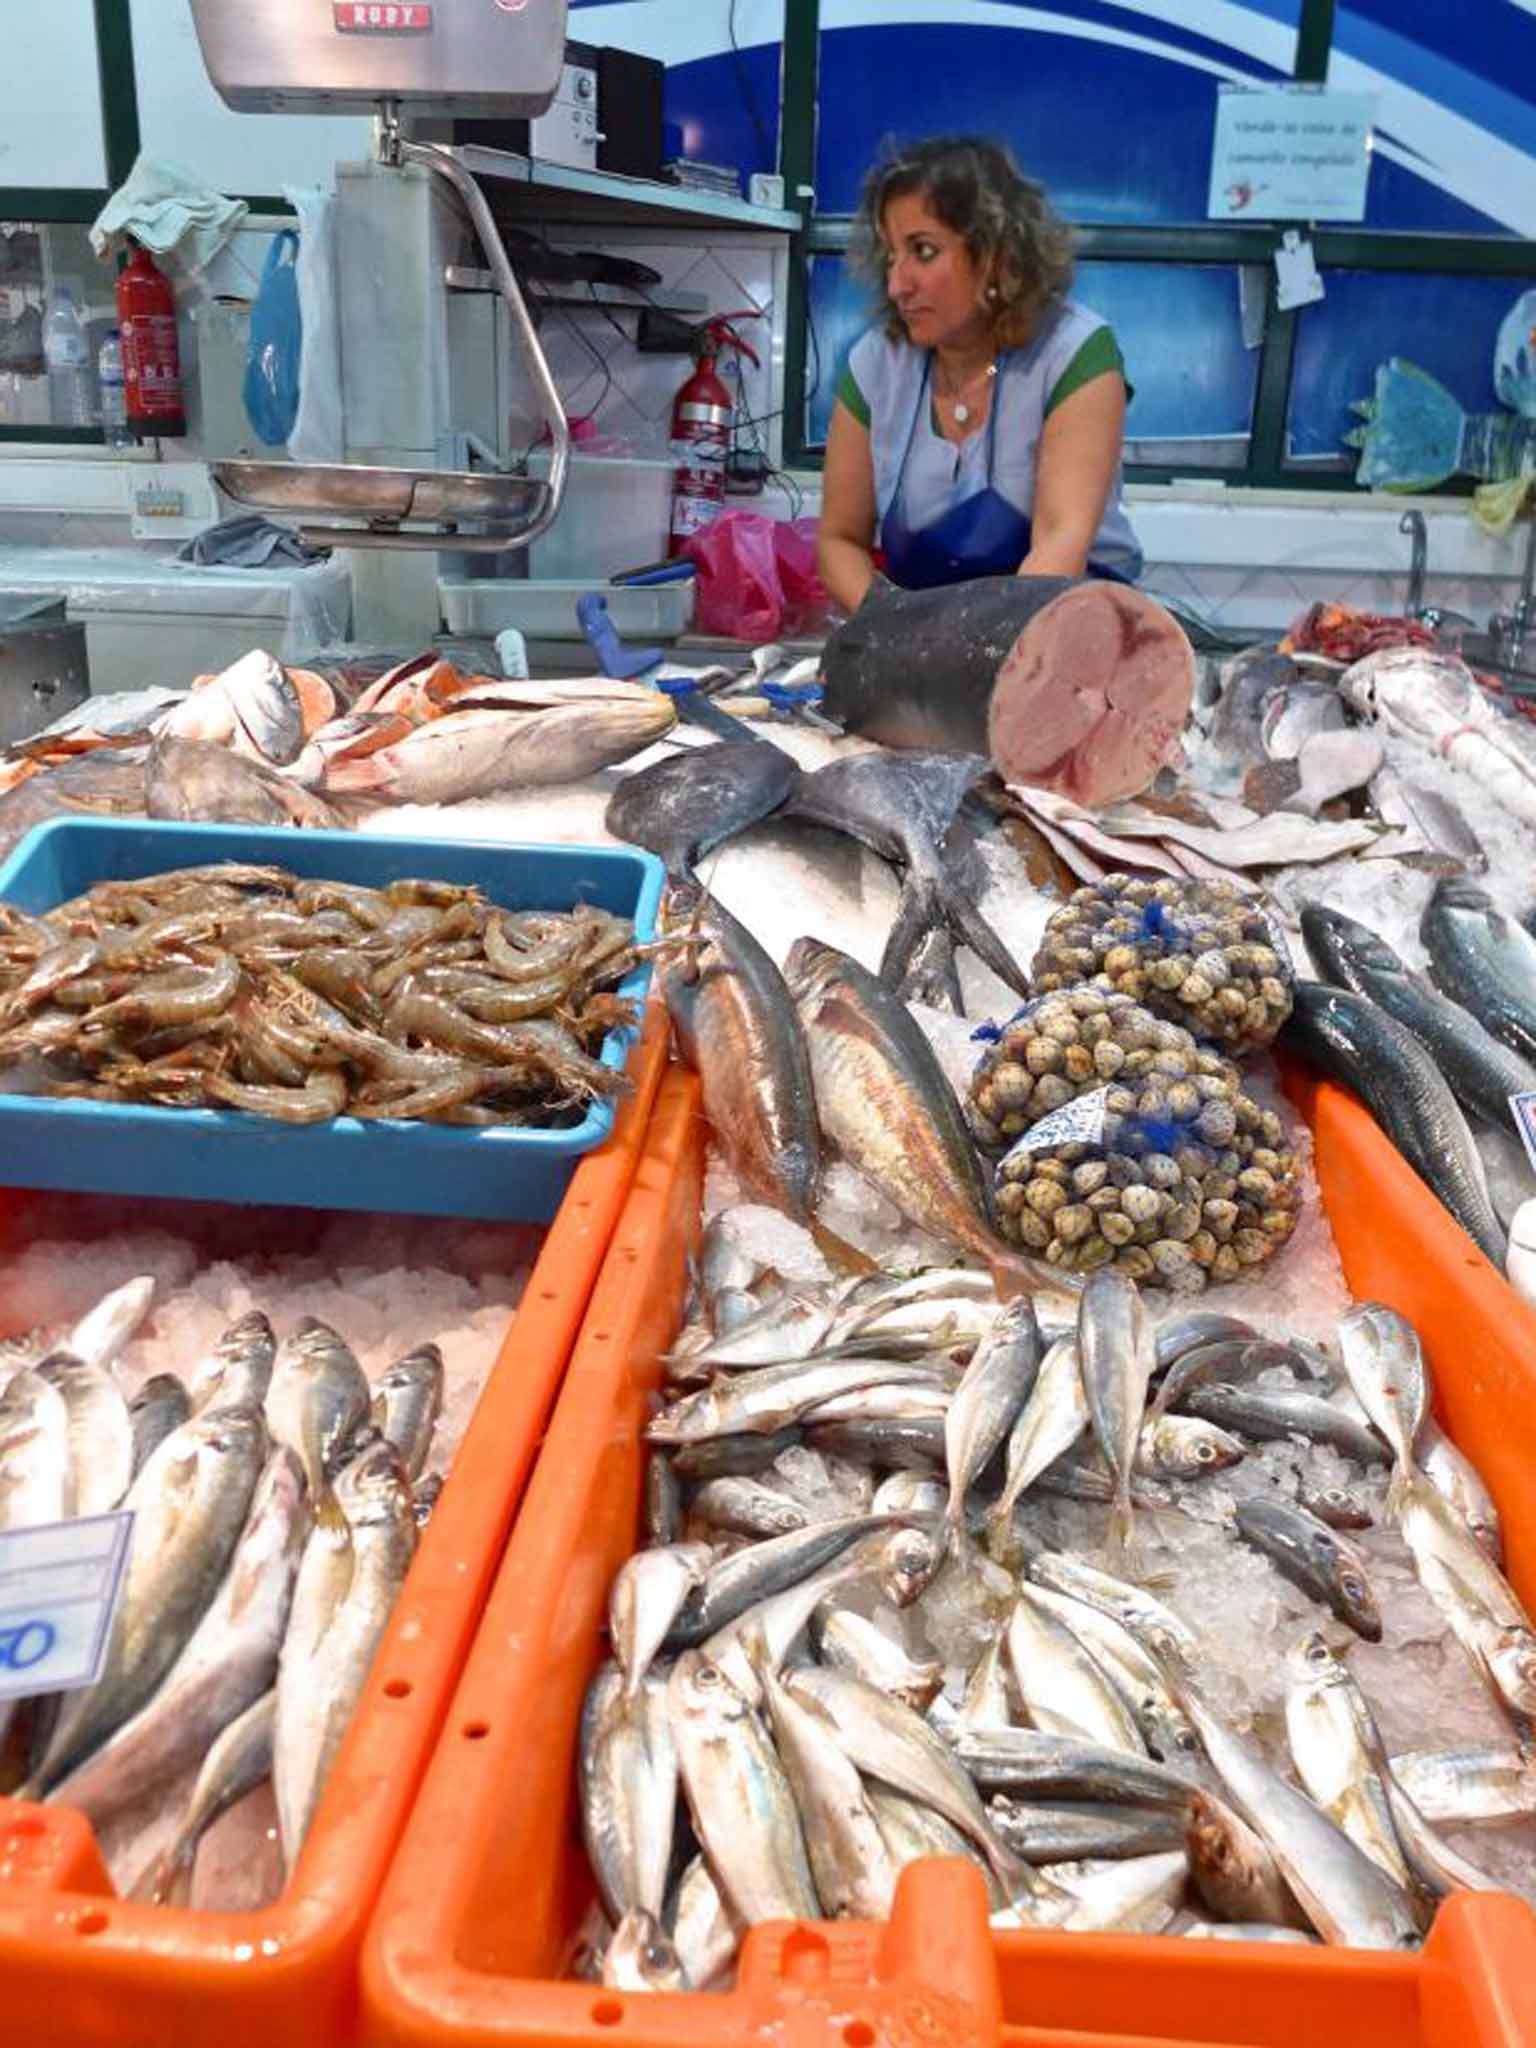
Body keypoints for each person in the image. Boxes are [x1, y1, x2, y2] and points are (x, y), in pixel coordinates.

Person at [818, 136, 1142, 613]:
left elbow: (1060, 542)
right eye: (891, 256)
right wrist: (892, 630)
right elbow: (839, 540)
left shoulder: (1074, 353)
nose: (897, 284)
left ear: (994, 255)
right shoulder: (875, 365)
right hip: (921, 634)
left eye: (923, 252)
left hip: (1067, 632)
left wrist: (967, 652)